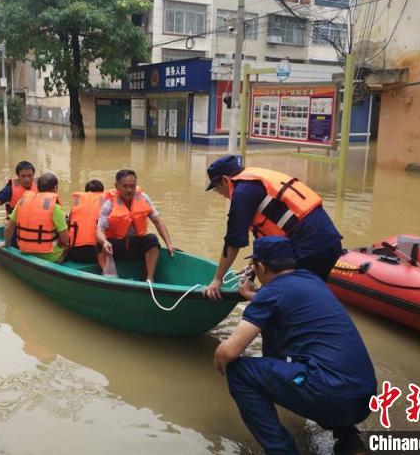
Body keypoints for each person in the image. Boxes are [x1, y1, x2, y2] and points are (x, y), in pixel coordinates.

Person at [214, 236, 376, 455]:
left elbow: (229, 351)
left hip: (331, 393)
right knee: (317, 362)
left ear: (260, 267)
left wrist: (219, 359)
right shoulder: (311, 279)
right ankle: (349, 440)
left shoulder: (271, 295)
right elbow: (284, 299)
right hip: (364, 397)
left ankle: (282, 450)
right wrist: (254, 295)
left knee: (239, 372)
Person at [203, 154, 342, 299]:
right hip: (330, 241)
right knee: (306, 295)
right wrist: (251, 268)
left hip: (310, 248)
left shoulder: (242, 193)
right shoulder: (255, 180)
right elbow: (269, 235)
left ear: (225, 180)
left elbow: (232, 242)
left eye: (217, 189)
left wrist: (217, 280)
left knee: (281, 299)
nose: (221, 194)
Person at [96, 170, 174, 281]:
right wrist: (104, 242)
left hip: (136, 244)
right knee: (99, 245)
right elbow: (100, 230)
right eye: (125, 186)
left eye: (132, 186)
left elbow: (158, 222)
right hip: (116, 247)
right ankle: (109, 278)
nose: (129, 190)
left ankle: (149, 278)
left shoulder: (144, 198)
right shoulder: (109, 204)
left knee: (152, 239)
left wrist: (169, 243)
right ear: (116, 186)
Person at [0, 172, 69, 263]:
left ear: (38, 187)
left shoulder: (22, 202)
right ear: (56, 188)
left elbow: (9, 228)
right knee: (68, 247)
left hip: (25, 252)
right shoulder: (55, 208)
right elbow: (65, 239)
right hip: (50, 257)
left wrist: (6, 243)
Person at [66, 180, 106, 263]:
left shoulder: (75, 208)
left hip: (74, 254)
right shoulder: (106, 207)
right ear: (101, 193)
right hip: (97, 255)